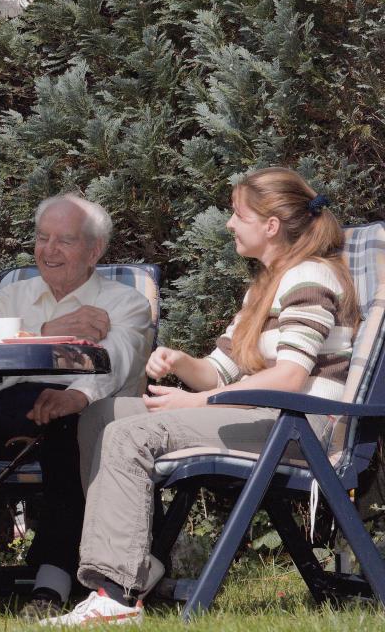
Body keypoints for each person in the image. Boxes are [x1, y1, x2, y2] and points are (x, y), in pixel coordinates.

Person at [43, 168, 358, 626]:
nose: (230, 224)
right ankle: (138, 562)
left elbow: (290, 377)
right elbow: (217, 372)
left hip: (302, 429)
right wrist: (180, 363)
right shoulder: (266, 284)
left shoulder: (309, 277)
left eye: (237, 215)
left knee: (132, 435)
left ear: (270, 226)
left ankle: (114, 594)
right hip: (269, 419)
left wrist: (196, 404)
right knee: (105, 413)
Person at [0, 193, 152, 616]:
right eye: (42, 238)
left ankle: (50, 587)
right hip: (8, 411)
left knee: (70, 428)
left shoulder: (125, 302)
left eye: (64, 241)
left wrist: (74, 396)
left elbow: (119, 359)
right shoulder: (15, 297)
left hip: (84, 407)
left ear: (95, 251)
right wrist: (45, 329)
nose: (48, 250)